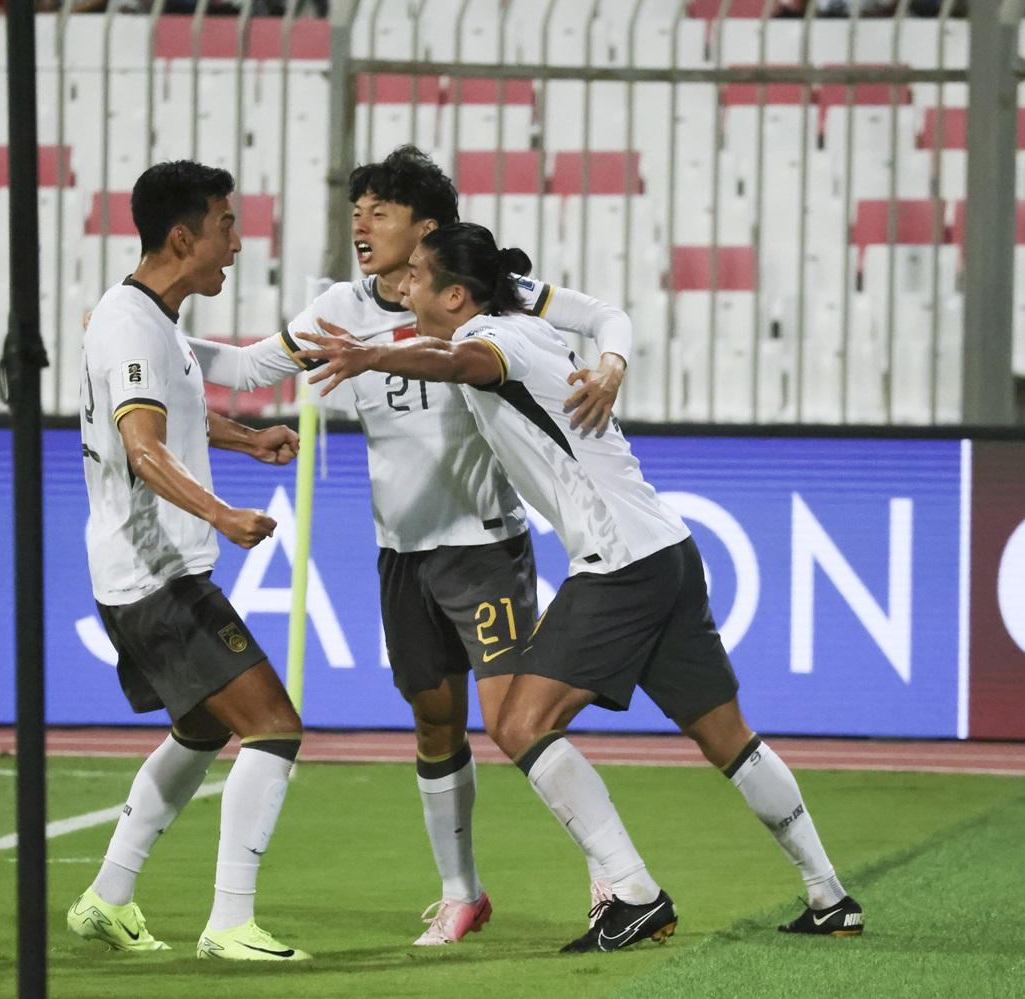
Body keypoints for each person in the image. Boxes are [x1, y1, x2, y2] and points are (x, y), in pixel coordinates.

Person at [294, 222, 865, 952]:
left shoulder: (496, 338)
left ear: (457, 295)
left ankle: (634, 892)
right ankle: (829, 894)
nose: (404, 289)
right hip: (665, 550)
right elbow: (577, 322)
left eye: (418, 278)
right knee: (728, 737)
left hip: (619, 563)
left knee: (520, 724)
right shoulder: (521, 322)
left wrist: (372, 353)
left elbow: (461, 360)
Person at [189, 145, 634, 945]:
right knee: (434, 724)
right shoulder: (339, 307)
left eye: (380, 211)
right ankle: (462, 893)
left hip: (485, 546)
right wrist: (162, 340)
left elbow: (603, 315)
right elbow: (251, 369)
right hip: (402, 553)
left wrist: (610, 365)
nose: (361, 224)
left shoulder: (484, 292)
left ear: (426, 228)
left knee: (517, 722)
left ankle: (612, 874)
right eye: (356, 210)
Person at [67, 159, 311, 962]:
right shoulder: (130, 325)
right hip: (154, 578)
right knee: (273, 726)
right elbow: (143, 449)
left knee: (202, 726)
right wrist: (221, 512)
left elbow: (173, 416)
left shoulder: (151, 318)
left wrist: (249, 438)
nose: (235, 244)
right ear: (182, 236)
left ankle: (106, 898)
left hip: (142, 574)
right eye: (225, 226)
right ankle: (230, 922)